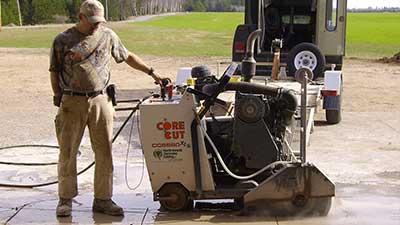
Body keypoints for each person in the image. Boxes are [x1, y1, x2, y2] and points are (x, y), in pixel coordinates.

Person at [49, 0, 164, 217]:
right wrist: (58, 97)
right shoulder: (62, 40)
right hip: (72, 102)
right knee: (67, 152)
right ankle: (65, 200)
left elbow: (127, 56)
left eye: (98, 22)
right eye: (92, 22)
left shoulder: (108, 36)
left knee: (104, 152)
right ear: (80, 17)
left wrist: (152, 72)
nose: (95, 26)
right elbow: (54, 71)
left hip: (101, 100)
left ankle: (103, 199)